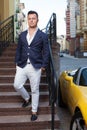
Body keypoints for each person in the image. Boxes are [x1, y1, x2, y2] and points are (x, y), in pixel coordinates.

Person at [14, 10, 50, 121]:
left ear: (37, 20)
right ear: (27, 20)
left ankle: (34, 111)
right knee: (17, 85)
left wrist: (43, 66)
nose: (31, 20)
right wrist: (17, 62)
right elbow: (19, 49)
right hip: (22, 65)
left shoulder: (43, 36)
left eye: (33, 18)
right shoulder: (22, 34)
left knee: (35, 89)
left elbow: (46, 52)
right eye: (29, 18)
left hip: (35, 66)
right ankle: (26, 98)